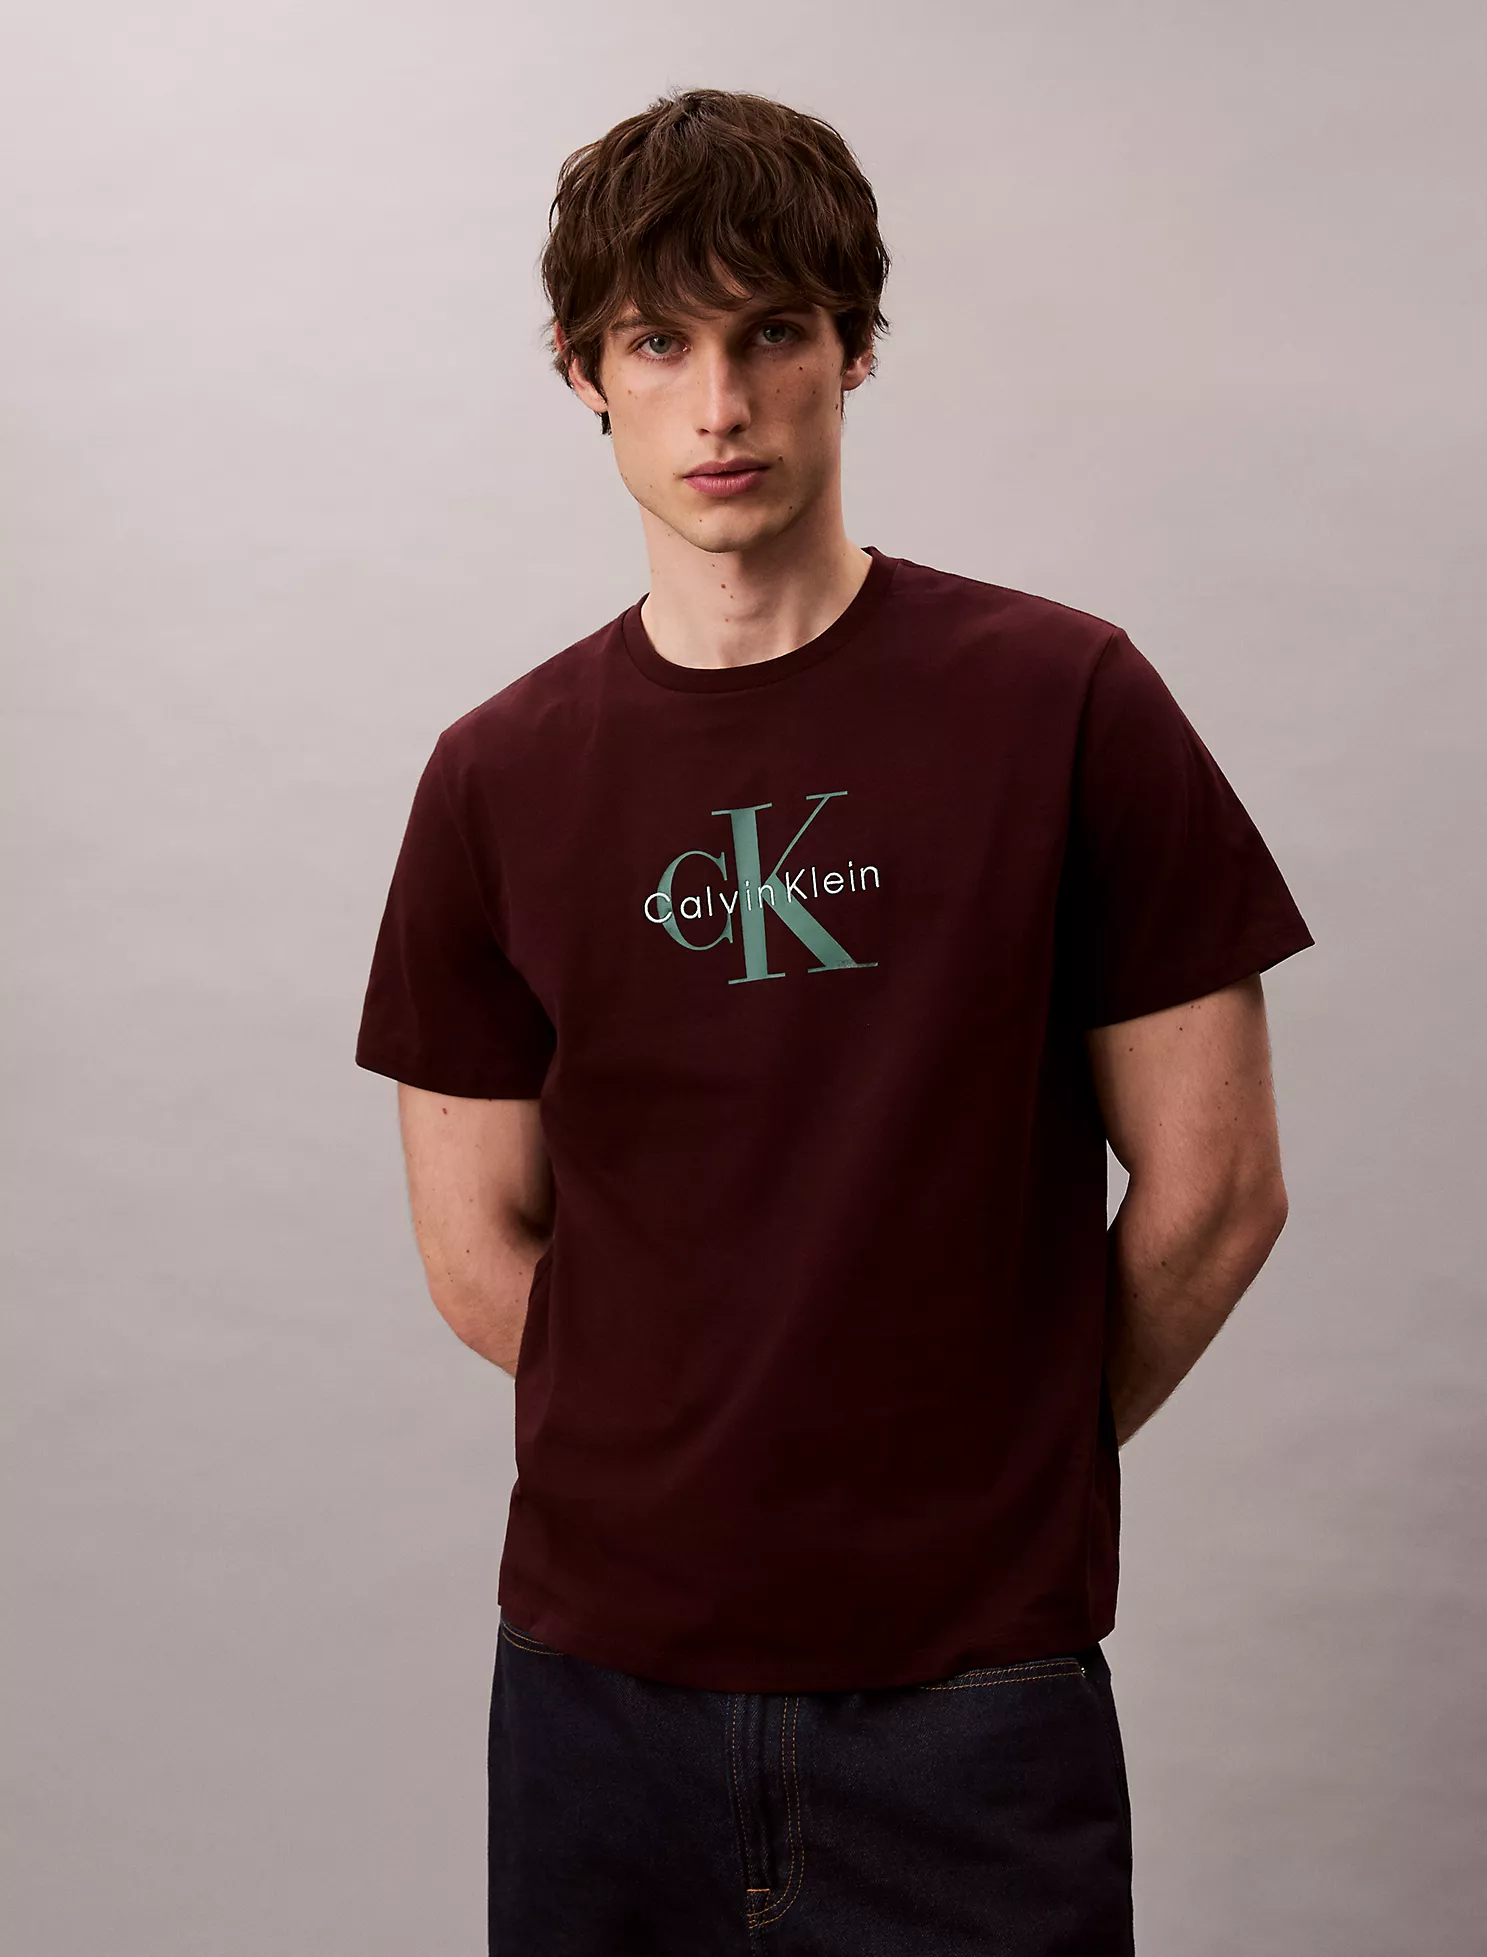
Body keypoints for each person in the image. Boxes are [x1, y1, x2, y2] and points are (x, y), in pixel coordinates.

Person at [355, 86, 1315, 1957]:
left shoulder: (1064, 703)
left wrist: (1001, 1462)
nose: (719, 405)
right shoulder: (494, 777)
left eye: (772, 333)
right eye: (658, 342)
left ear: (854, 348)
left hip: (973, 1706)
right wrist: (703, 1463)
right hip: (597, 1699)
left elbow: (1217, 1189)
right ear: (581, 372)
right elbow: (474, 1247)